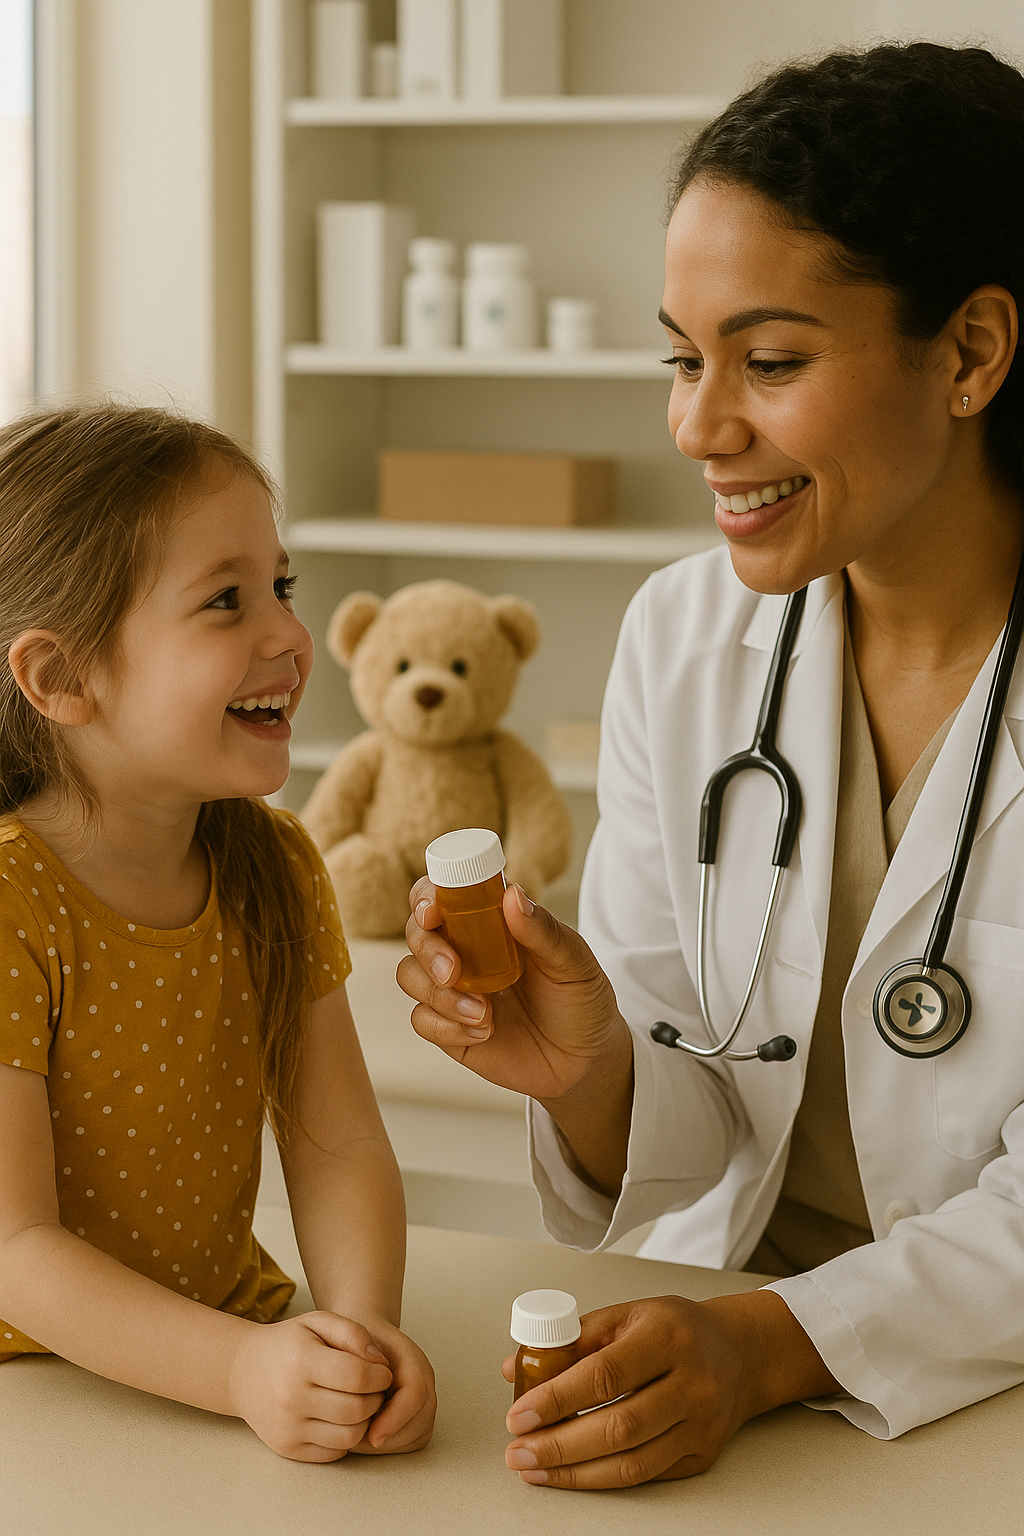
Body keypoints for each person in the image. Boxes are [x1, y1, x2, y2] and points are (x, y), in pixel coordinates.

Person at [399, 41, 1024, 1487]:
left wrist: (768, 1344)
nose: (698, 425)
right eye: (682, 358)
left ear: (974, 352)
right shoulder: (687, 638)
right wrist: (593, 1072)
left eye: (773, 360)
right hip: (712, 1365)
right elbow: (699, 1104)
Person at [0, 404, 436, 1462]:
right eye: (224, 601)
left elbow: (335, 1144)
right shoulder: (12, 899)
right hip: (41, 1405)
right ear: (62, 679)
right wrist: (241, 1369)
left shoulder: (275, 868)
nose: (289, 636)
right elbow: (15, 1246)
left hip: (218, 1368)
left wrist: (361, 1326)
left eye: (279, 588)